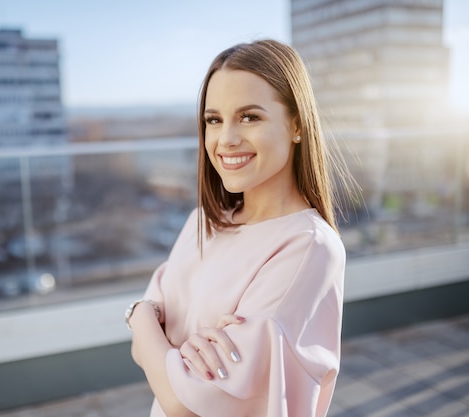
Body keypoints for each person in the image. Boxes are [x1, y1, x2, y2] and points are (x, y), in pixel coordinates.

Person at [126, 39, 349, 417]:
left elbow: (184, 403)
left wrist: (147, 325)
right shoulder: (202, 223)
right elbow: (145, 351)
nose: (226, 139)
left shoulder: (308, 247)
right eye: (214, 120)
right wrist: (144, 318)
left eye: (249, 117)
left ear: (297, 124)